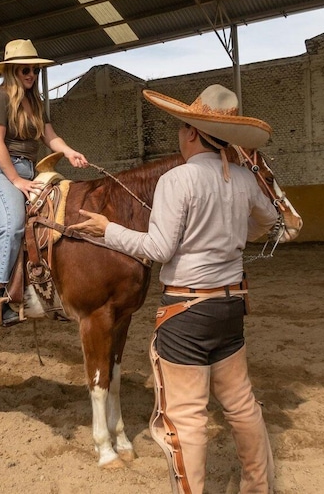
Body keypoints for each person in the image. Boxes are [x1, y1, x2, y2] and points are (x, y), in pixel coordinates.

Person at [70, 84, 279, 493]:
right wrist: (233, 229)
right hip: (232, 305)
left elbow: (157, 248)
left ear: (190, 132)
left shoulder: (176, 180)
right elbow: (268, 222)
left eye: (181, 128)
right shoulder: (242, 178)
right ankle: (258, 487)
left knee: (185, 419)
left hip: (188, 312)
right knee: (241, 405)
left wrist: (107, 229)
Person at [0, 38, 89, 327]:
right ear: (12, 71)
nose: (31, 75)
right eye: (25, 70)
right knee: (13, 224)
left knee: (59, 218)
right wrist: (15, 179)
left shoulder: (35, 102)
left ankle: (46, 293)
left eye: (35, 71)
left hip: (31, 170)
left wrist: (68, 151)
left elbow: (50, 136)